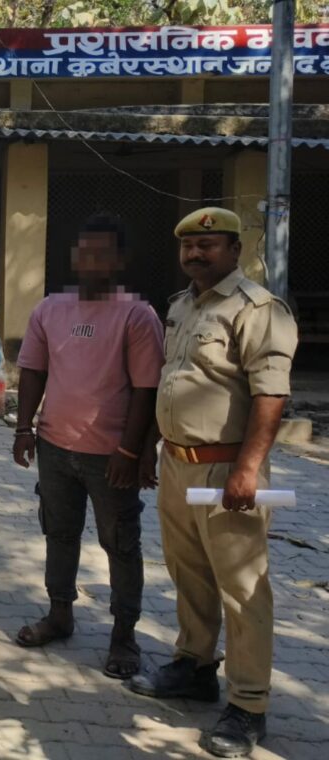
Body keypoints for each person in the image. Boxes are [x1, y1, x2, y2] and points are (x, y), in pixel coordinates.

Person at [128, 208, 298, 758]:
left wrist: (248, 469)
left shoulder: (258, 309)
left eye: (209, 245)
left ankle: (248, 704)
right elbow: (171, 381)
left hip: (228, 470)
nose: (195, 254)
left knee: (243, 589)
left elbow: (271, 395)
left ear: (234, 250)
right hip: (178, 463)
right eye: (188, 247)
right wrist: (151, 448)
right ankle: (194, 667)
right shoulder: (181, 305)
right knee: (189, 573)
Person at [11, 213, 164, 679]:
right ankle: (60, 614)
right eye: (85, 251)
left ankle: (124, 635)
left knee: (120, 544)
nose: (92, 260)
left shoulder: (137, 315)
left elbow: (147, 390)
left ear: (120, 260)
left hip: (111, 455)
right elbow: (33, 371)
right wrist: (23, 429)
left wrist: (131, 451)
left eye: (103, 252)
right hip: (55, 447)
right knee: (59, 534)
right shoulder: (49, 309)